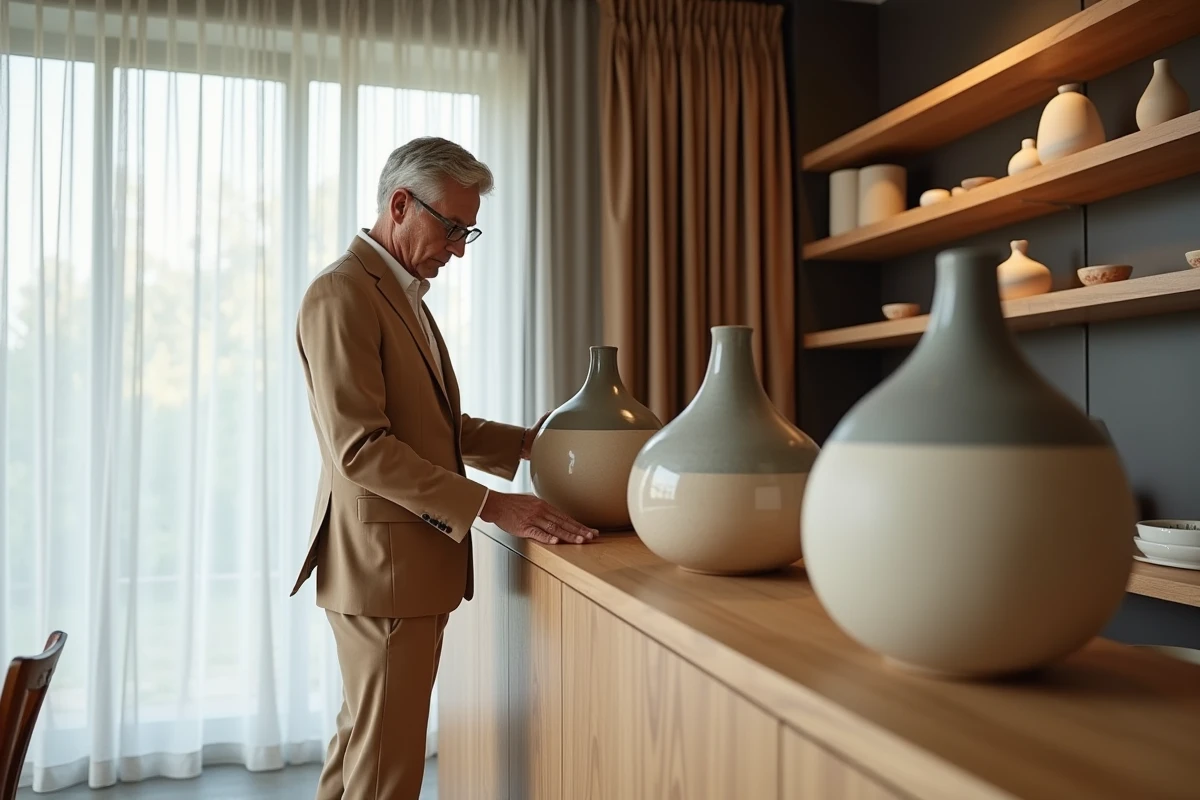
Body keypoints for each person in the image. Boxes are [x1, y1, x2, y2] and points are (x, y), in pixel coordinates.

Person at [291, 136, 597, 799]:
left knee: (359, 757)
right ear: (400, 203)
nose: (458, 247)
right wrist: (492, 504)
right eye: (452, 226)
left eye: (469, 231)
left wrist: (524, 443)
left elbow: (429, 428)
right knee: (385, 772)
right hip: (384, 568)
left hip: (394, 567)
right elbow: (362, 447)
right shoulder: (343, 293)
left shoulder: (402, 295)